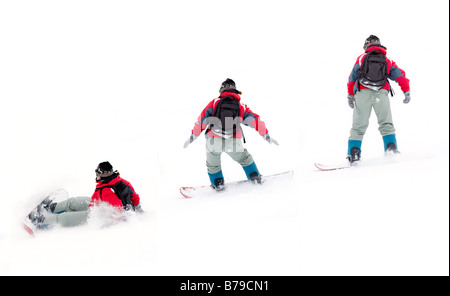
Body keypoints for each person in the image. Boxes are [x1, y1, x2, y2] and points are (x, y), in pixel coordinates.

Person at [183, 78, 278, 190]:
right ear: (235, 90)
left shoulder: (214, 103)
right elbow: (254, 120)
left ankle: (217, 183)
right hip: (233, 141)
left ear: (221, 90)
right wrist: (265, 134)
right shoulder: (240, 105)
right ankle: (254, 177)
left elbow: (202, 121)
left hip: (213, 140)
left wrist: (193, 136)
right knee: (244, 158)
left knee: (213, 164)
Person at [346, 35, 410, 165]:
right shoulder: (386, 59)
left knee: (358, 126)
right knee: (386, 123)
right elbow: (400, 75)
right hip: (381, 93)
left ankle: (353, 155)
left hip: (362, 93)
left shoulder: (362, 58)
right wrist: (406, 91)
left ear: (366, 46)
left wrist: (350, 95)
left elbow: (352, 77)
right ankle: (391, 151)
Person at [27, 161, 142, 229]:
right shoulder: (119, 180)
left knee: (63, 217)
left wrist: (106, 219)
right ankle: (51, 208)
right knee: (72, 202)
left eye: (98, 173)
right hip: (96, 204)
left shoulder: (107, 191)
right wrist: (137, 208)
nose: (96, 175)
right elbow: (134, 195)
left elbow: (118, 209)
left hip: (96, 215)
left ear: (104, 175)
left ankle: (40, 221)